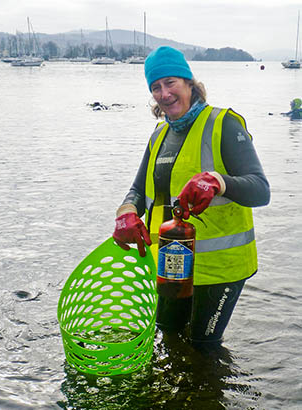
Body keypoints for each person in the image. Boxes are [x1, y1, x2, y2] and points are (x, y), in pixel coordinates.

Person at [112, 46, 270, 345]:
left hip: (220, 269)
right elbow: (137, 191)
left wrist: (217, 182)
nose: (164, 93)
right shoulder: (159, 135)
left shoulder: (223, 124)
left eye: (170, 82)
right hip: (172, 265)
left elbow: (260, 190)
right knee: (168, 336)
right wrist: (126, 213)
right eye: (155, 87)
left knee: (203, 348)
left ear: (189, 83)